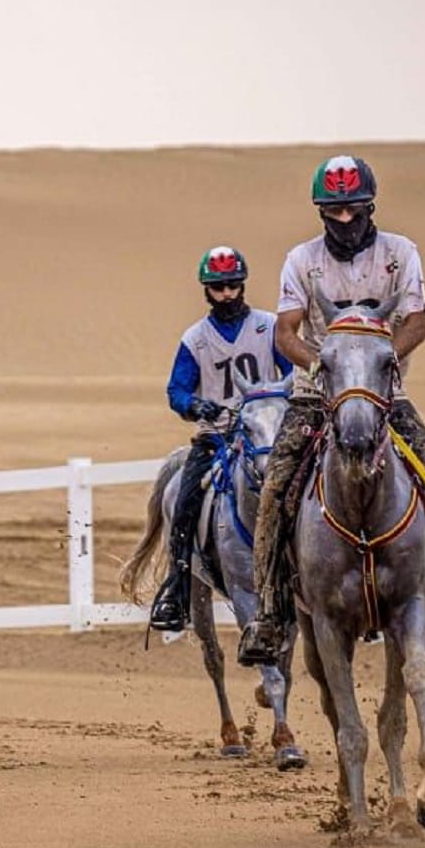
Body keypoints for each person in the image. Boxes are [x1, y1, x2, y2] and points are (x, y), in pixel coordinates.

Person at [236, 156, 425, 664]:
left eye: (353, 210)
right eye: (332, 211)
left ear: (370, 206)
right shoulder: (302, 260)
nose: (343, 221)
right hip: (316, 393)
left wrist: (379, 361)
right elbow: (286, 331)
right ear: (321, 212)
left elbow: (417, 323)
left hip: (385, 396)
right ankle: (270, 614)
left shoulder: (400, 253)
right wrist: (327, 365)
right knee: (275, 486)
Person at [147, 246, 291, 631]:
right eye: (218, 287)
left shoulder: (269, 326)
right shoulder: (196, 339)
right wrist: (197, 405)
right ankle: (177, 589)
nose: (227, 294)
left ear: (242, 285)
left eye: (232, 285)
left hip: (269, 437)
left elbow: (293, 371)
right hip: (216, 438)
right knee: (184, 502)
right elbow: (175, 392)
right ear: (206, 291)